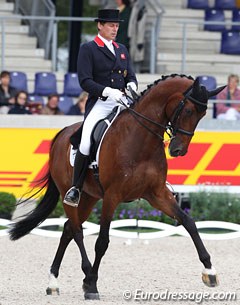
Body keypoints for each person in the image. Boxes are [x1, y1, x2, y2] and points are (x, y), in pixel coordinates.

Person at [63, 9, 138, 207]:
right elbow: (85, 81)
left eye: (117, 26)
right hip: (101, 103)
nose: (115, 29)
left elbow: (130, 74)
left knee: (144, 128)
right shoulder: (89, 48)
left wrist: (132, 85)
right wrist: (107, 91)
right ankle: (76, 188)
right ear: (100, 25)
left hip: (123, 101)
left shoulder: (121, 48)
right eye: (111, 25)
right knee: (86, 140)